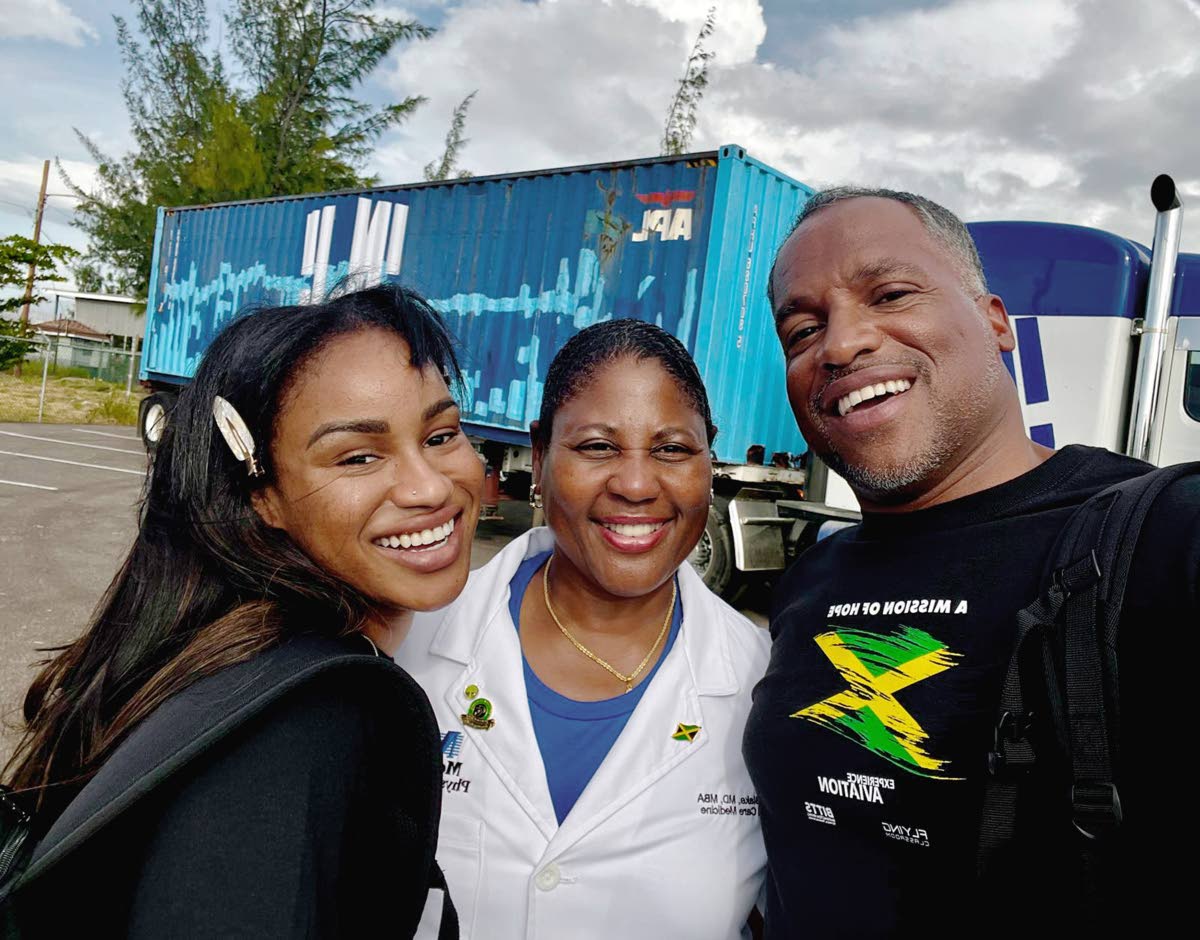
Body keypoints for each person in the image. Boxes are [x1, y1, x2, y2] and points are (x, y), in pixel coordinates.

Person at [744, 187, 1200, 937]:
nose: (840, 344)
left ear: (997, 323)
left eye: (889, 293)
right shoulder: (810, 581)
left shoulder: (1161, 539)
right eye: (802, 329)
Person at [0, 285, 483, 937]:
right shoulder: (305, 724)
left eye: (441, 434)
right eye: (358, 456)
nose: (430, 486)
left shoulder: (226, 658)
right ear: (264, 497)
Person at [397, 319, 770, 940]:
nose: (635, 484)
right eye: (597, 447)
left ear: (710, 456)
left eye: (673, 449)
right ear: (539, 456)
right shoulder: (405, 648)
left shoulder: (765, 685)